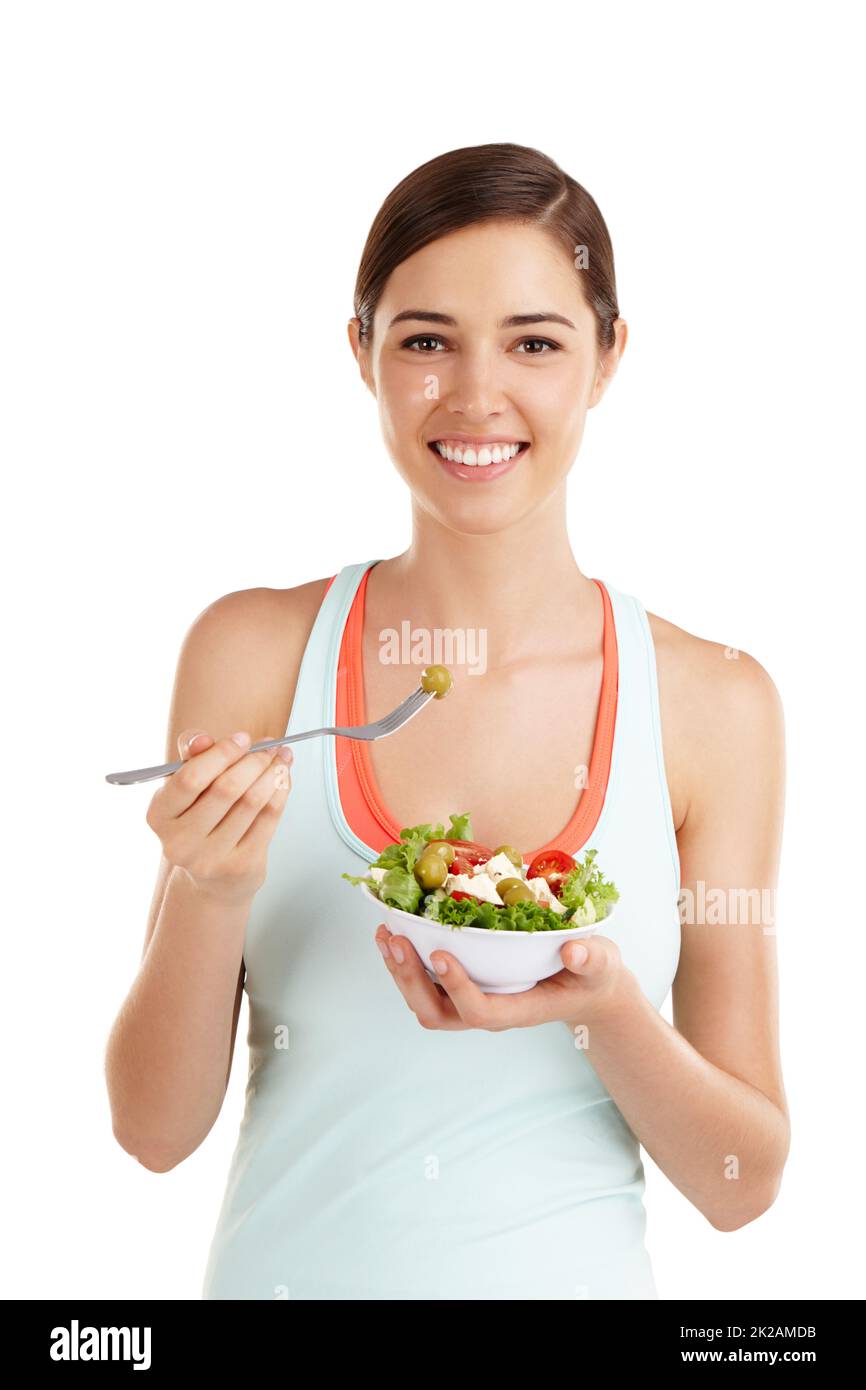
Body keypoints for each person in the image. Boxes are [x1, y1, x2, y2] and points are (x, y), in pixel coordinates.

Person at [105, 142, 789, 1300]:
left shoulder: (715, 704)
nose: (476, 397)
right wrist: (207, 890)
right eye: (424, 340)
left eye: (534, 342)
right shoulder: (253, 652)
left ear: (607, 357)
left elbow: (740, 1182)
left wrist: (604, 1012)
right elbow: (152, 1132)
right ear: (360, 352)